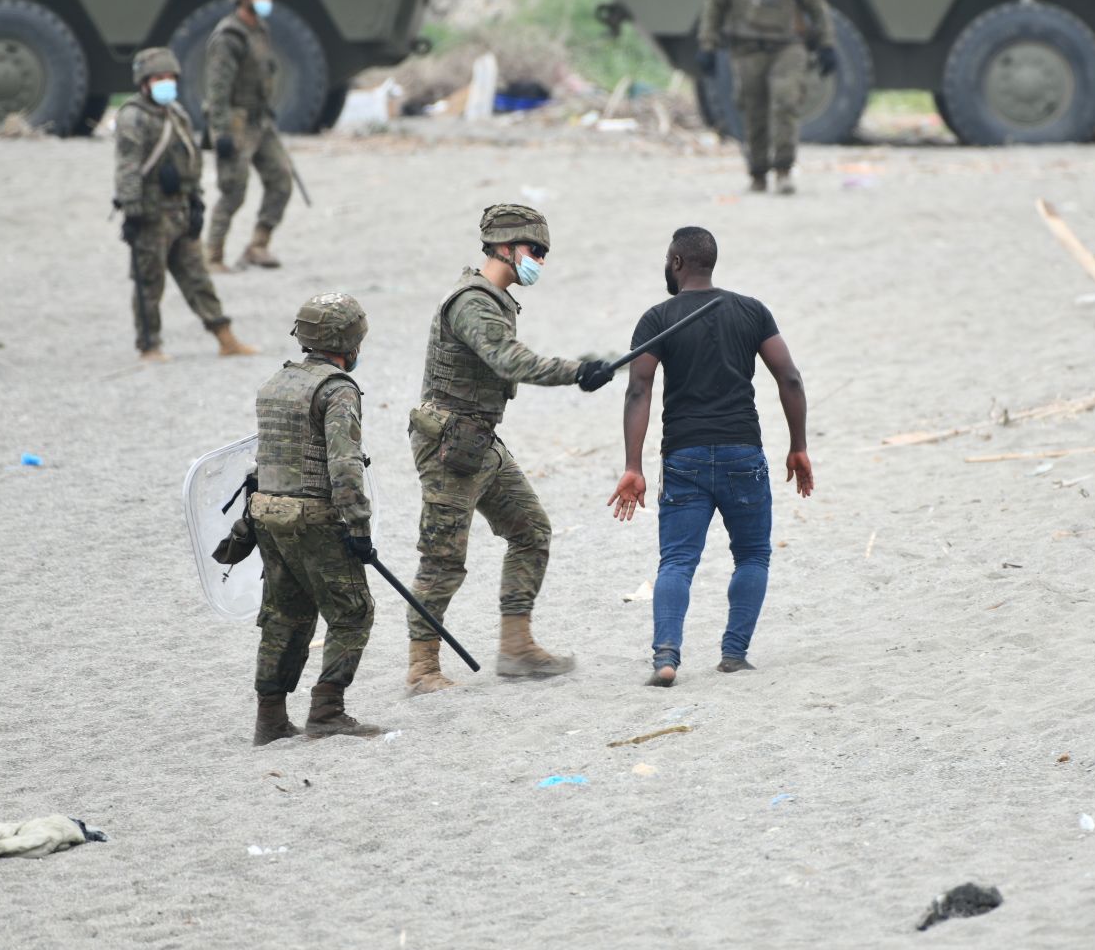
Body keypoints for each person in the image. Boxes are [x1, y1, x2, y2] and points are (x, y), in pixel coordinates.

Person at [403, 204, 615, 693]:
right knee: (442, 560)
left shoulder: (495, 298)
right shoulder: (474, 301)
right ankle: (422, 668)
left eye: (542, 251)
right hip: (450, 449)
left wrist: (582, 368)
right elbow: (506, 358)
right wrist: (575, 371)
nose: (539, 259)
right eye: (533, 249)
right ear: (504, 247)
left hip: (478, 442)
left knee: (531, 529)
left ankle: (517, 647)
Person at [608, 226, 812, 686]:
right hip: (744, 452)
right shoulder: (751, 310)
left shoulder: (658, 318)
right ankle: (734, 654)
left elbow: (639, 389)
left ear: (677, 263)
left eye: (667, 258)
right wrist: (798, 446)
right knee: (753, 556)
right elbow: (790, 379)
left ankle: (666, 657)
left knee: (677, 561)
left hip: (685, 456)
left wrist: (633, 466)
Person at [248, 293, 382, 744]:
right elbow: (344, 466)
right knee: (353, 612)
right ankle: (327, 709)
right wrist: (359, 528)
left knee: (284, 615)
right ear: (348, 340)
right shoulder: (337, 389)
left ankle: (270, 719)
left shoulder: (275, 383)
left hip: (267, 515)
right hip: (313, 519)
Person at [114, 47, 256, 363]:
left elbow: (190, 158)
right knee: (149, 284)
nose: (166, 83)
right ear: (144, 82)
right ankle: (149, 346)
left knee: (198, 277)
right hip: (150, 214)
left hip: (179, 211)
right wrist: (132, 210)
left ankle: (225, 337)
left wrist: (196, 202)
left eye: (170, 77)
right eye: (158, 78)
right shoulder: (133, 117)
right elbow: (128, 166)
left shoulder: (175, 113)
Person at [696, 0, 836, 196]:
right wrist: (707, 45)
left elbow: (815, 4)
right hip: (747, 50)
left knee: (785, 103)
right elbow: (714, 4)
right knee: (753, 111)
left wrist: (826, 43)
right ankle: (758, 173)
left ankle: (784, 170)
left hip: (787, 47)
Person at [204, 0, 294, 272]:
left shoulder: (259, 29)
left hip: (260, 121)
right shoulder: (229, 37)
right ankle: (212, 256)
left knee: (281, 179)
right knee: (233, 191)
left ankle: (258, 245)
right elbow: (217, 89)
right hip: (235, 121)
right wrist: (221, 132)